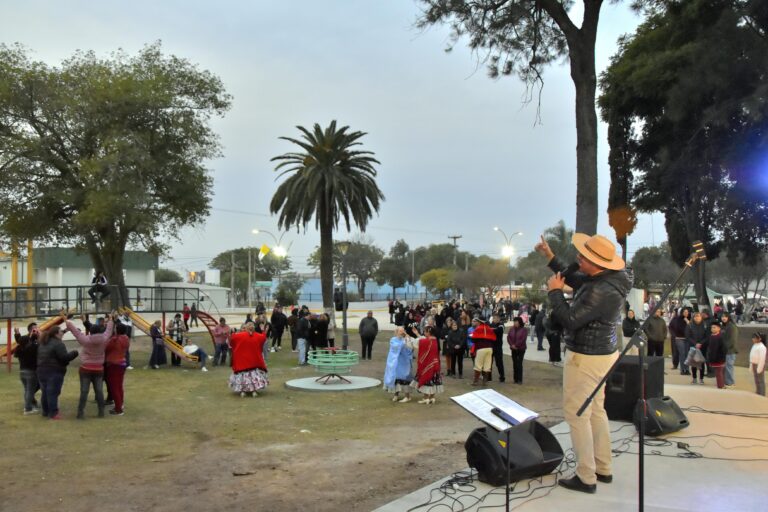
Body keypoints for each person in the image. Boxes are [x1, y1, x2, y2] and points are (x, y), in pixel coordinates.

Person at [536, 232, 631, 494]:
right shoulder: (607, 279)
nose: (577, 259)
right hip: (602, 353)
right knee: (596, 410)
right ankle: (603, 467)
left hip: (587, 357)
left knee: (577, 414)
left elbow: (569, 319)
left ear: (596, 263)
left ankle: (586, 475)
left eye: (582, 257)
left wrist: (554, 293)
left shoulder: (601, 291)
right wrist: (551, 256)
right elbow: (577, 279)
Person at [67, 313, 114, 419]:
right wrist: (111, 319)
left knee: (84, 391)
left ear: (91, 332)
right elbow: (109, 330)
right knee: (99, 391)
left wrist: (68, 322)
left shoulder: (86, 340)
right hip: (99, 368)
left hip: (86, 369)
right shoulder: (104, 339)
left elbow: (76, 333)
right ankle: (101, 412)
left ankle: (80, 413)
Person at [36, 326, 78, 420]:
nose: (62, 333)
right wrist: (74, 353)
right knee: (52, 392)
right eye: (61, 332)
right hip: (54, 371)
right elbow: (64, 358)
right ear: (56, 333)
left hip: (41, 370)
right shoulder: (58, 344)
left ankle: (45, 411)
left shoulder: (43, 342)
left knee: (45, 392)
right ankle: (53, 413)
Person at [228, 321, 269, 397]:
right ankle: (254, 391)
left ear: (246, 328)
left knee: (242, 377)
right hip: (253, 362)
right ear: (253, 328)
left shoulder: (239, 336)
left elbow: (231, 341)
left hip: (242, 363)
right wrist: (263, 330)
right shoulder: (257, 336)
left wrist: (232, 332)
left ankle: (242, 391)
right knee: (253, 377)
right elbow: (263, 338)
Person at [412, 326, 443, 404]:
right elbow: (422, 339)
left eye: (425, 332)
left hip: (428, 364)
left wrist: (407, 337)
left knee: (426, 379)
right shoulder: (435, 339)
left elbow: (418, 342)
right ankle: (432, 397)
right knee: (433, 380)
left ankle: (426, 398)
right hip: (435, 363)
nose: (424, 333)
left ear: (428, 332)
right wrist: (417, 334)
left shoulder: (427, 341)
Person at [383, 327, 415, 402]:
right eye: (400, 331)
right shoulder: (393, 340)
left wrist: (408, 341)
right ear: (397, 332)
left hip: (404, 362)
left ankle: (407, 396)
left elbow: (410, 348)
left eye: (403, 331)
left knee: (405, 378)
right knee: (396, 379)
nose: (402, 332)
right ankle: (396, 395)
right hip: (396, 363)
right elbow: (395, 347)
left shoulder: (406, 340)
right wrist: (405, 342)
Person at [14, 323, 40, 415]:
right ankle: (28, 408)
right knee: (30, 391)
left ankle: (30, 406)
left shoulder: (19, 349)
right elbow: (38, 344)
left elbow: (21, 341)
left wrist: (17, 334)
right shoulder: (32, 348)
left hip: (22, 372)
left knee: (27, 390)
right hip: (31, 372)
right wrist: (38, 335)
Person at [104, 323, 130, 415]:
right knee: (119, 386)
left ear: (117, 330)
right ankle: (120, 404)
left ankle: (118, 409)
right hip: (122, 363)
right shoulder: (126, 338)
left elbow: (106, 348)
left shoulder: (114, 340)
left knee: (114, 387)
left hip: (113, 364)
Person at [470, 317, 496, 386]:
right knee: (487, 365)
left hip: (481, 348)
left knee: (478, 365)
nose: (476, 322)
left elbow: (473, 339)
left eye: (477, 321)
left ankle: (475, 381)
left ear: (479, 322)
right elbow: (494, 339)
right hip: (489, 349)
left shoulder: (478, 328)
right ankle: (485, 381)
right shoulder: (489, 329)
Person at [686, 312, 708, 384]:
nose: (697, 318)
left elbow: (707, 336)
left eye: (698, 316)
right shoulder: (690, 325)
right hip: (693, 346)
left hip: (702, 346)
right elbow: (688, 336)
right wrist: (695, 344)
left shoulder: (705, 325)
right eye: (695, 317)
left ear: (701, 317)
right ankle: (694, 378)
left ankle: (701, 378)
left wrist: (701, 343)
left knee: (701, 362)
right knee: (693, 362)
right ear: (693, 317)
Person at [507, 317, 528, 384]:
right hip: (513, 349)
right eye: (514, 321)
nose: (515, 323)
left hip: (521, 349)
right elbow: (508, 337)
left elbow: (523, 339)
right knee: (515, 364)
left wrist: (516, 345)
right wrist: (512, 345)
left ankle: (519, 379)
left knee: (519, 363)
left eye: (517, 321)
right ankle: (515, 379)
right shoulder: (511, 329)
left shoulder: (524, 330)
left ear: (520, 322)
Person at [706, 321, 727, 389]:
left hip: (719, 358)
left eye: (714, 327)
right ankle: (721, 384)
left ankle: (721, 385)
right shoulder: (712, 336)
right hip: (714, 357)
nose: (712, 329)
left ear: (719, 329)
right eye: (712, 327)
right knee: (719, 372)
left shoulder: (720, 337)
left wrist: (714, 358)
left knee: (719, 372)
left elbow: (723, 349)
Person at [721, 311, 739, 388]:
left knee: (729, 367)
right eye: (722, 317)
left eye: (725, 316)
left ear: (728, 317)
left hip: (730, 351)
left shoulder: (732, 327)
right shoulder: (724, 326)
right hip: (725, 350)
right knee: (725, 367)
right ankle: (726, 381)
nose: (723, 318)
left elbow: (732, 340)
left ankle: (730, 383)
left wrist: (724, 348)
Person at [489, 313, 506, 383]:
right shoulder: (490, 325)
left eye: (496, 318)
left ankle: (502, 377)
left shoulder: (501, 325)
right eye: (494, 318)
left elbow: (499, 331)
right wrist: (491, 329)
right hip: (490, 346)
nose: (495, 319)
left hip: (498, 347)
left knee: (499, 363)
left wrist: (491, 329)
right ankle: (488, 377)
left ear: (499, 319)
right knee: (489, 363)